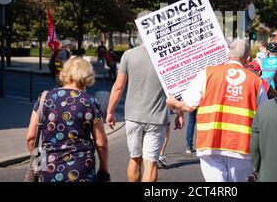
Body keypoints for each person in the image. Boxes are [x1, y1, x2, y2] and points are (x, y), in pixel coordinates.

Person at [166, 40, 261, 182]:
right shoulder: (256, 81)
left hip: (210, 143)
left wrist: (173, 103)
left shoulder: (207, 73)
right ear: (248, 59)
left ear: (228, 54)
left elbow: (188, 106)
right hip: (241, 146)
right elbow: (264, 116)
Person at [106, 35, 184, 182]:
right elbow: (175, 89)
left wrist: (110, 111)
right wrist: (179, 113)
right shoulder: (167, 56)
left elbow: (118, 87)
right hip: (157, 118)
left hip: (133, 116)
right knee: (151, 163)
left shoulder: (129, 55)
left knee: (135, 158)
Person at [25, 57, 109, 182]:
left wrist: (41, 166)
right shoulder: (89, 102)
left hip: (48, 170)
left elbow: (31, 138)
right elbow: (101, 143)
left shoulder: (44, 98)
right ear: (88, 76)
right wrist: (104, 170)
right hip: (81, 171)